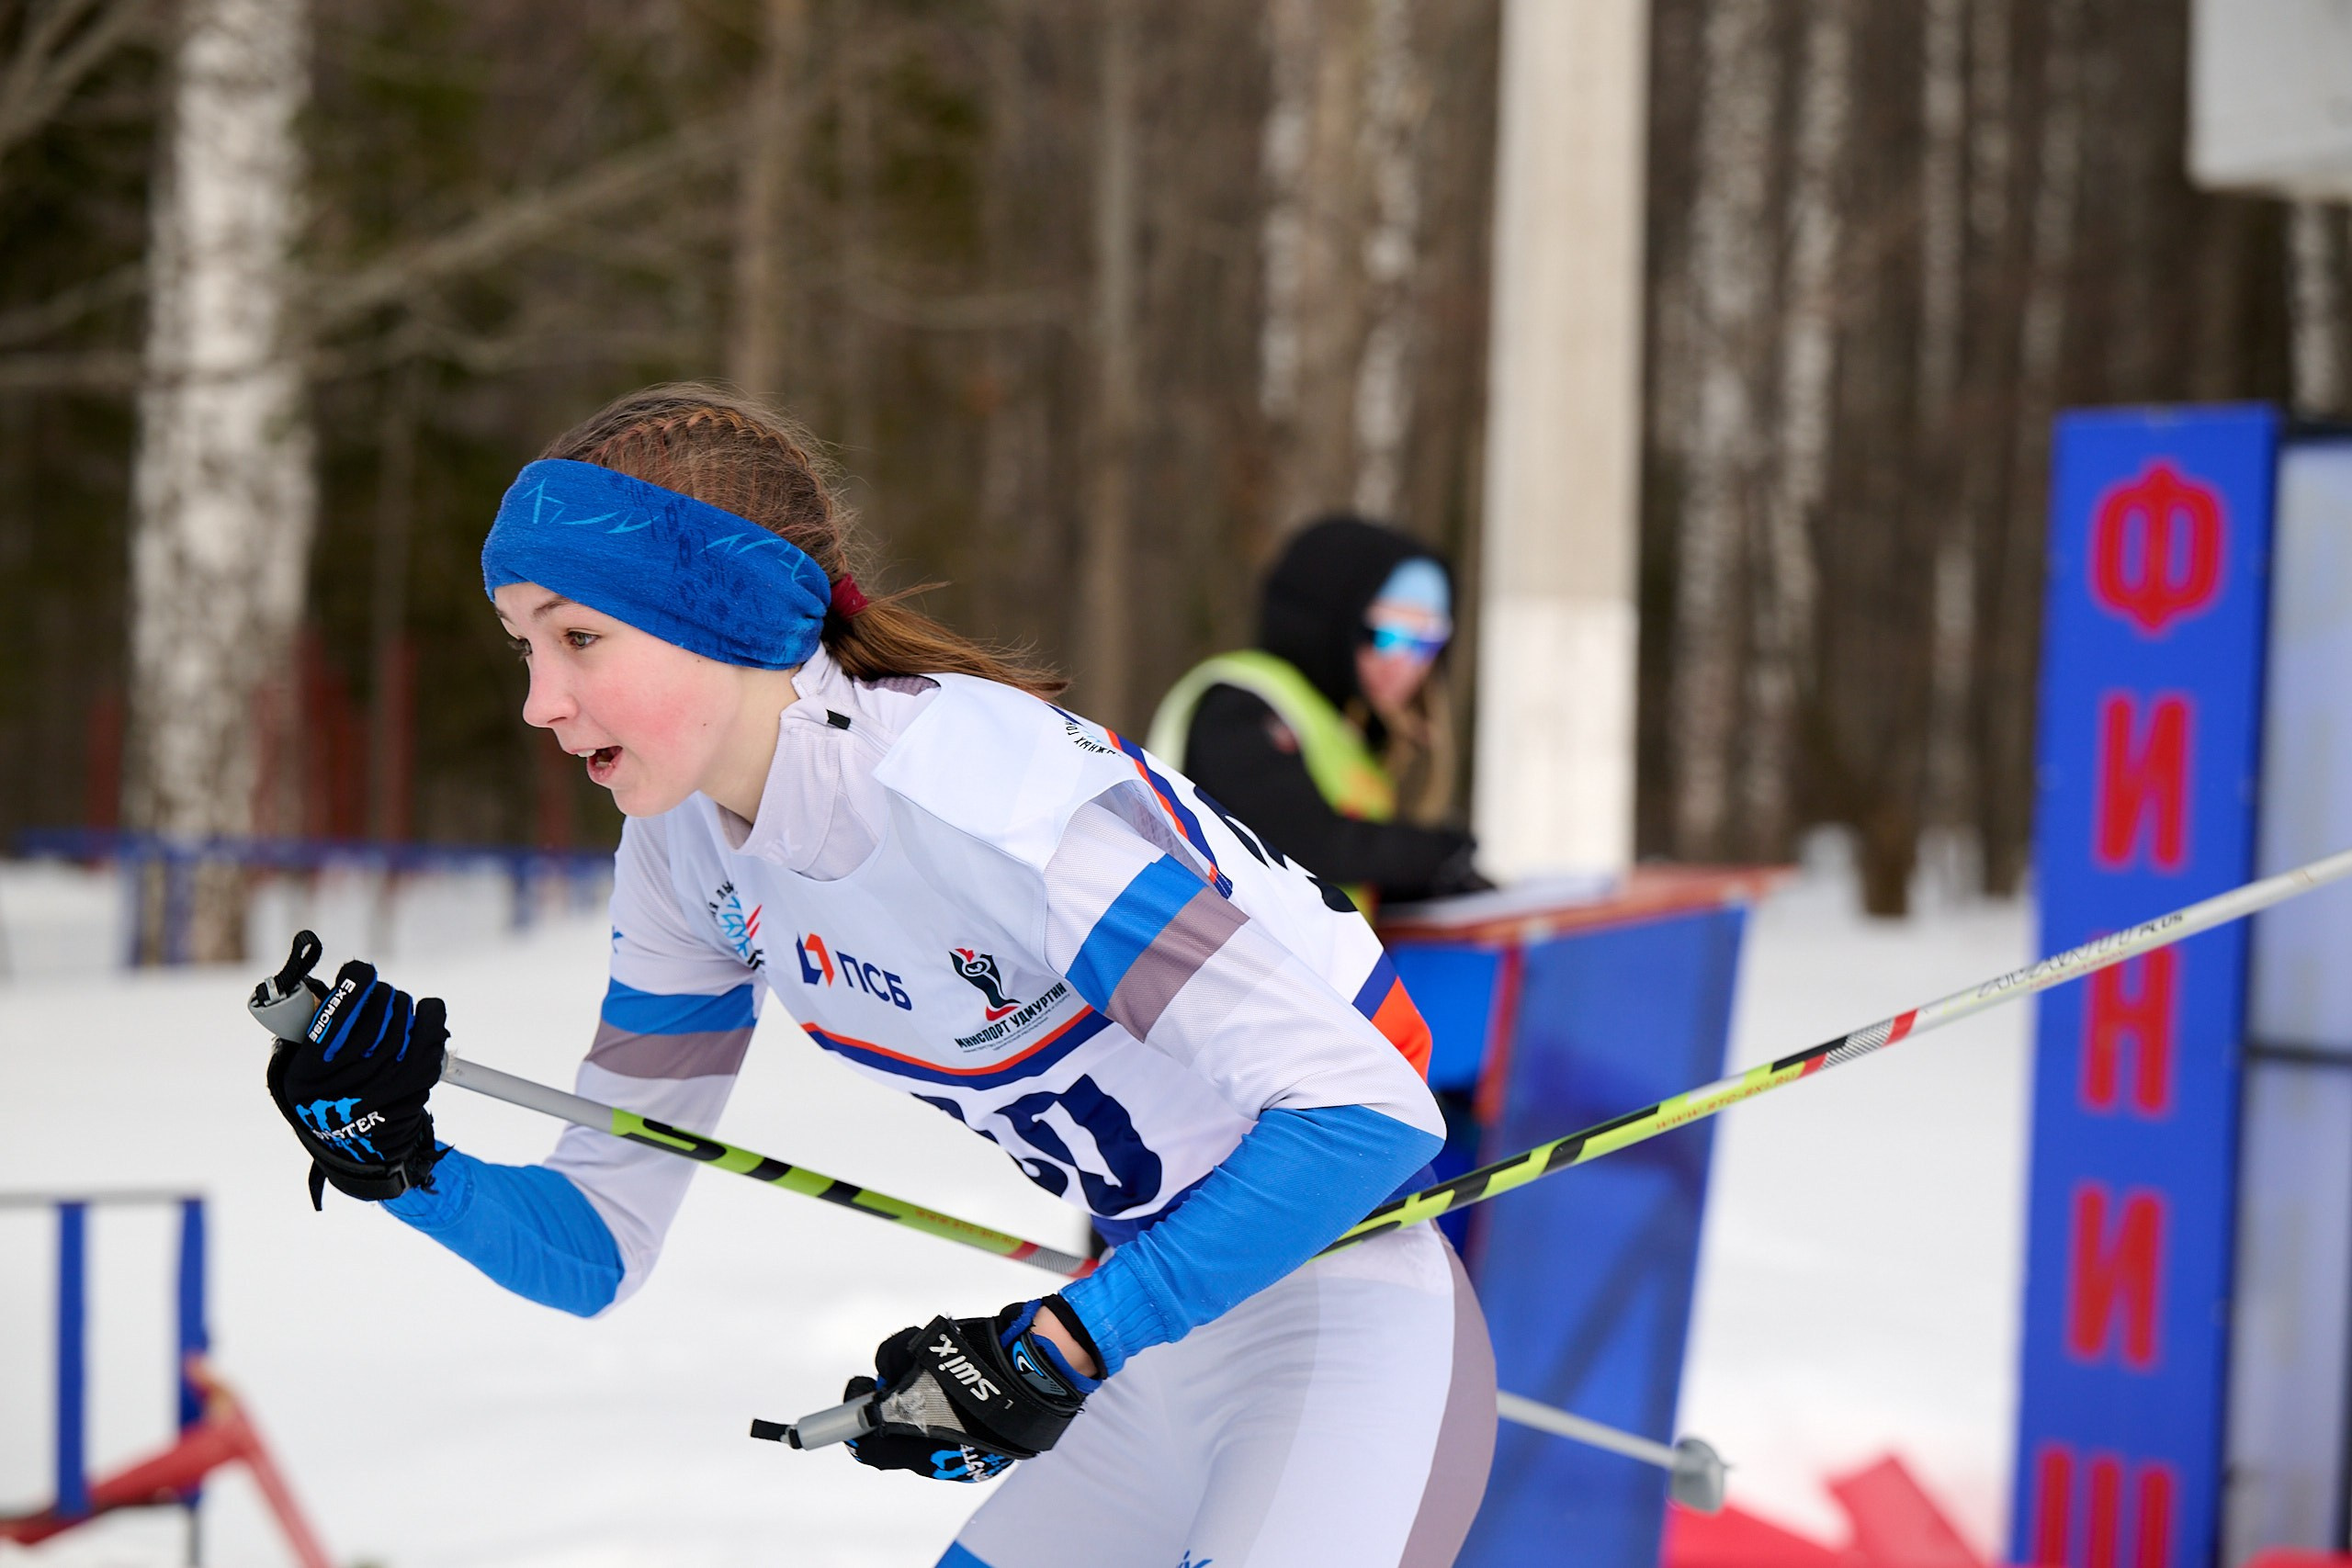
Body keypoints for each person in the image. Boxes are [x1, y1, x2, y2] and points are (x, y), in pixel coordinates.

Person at [254, 385, 1495, 1568]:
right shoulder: (685, 852)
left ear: (724, 611)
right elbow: (593, 1245)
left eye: (580, 635)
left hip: (1341, 1324)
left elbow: (1369, 1109)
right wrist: (399, 1160)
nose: (540, 698)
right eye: (525, 643)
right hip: (1158, 1349)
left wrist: (1064, 1342)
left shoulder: (978, 797)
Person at [1147, 515, 1487, 911]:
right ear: (1331, 618)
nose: (1406, 664)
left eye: (1427, 644)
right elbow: (1296, 840)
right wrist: (1431, 853)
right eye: (1387, 635)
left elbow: (1343, 885)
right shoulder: (1243, 704)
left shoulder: (1344, 732)